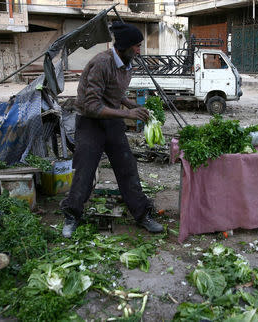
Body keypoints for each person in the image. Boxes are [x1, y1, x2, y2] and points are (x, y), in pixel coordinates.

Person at [60, 21, 164, 238]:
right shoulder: (101, 63)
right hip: (90, 122)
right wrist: (127, 114)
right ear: (124, 45)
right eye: (136, 45)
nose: (139, 49)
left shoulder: (127, 63)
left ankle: (142, 214)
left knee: (127, 167)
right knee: (85, 170)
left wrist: (129, 103)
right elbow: (92, 105)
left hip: (112, 122)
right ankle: (72, 215)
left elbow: (113, 92)